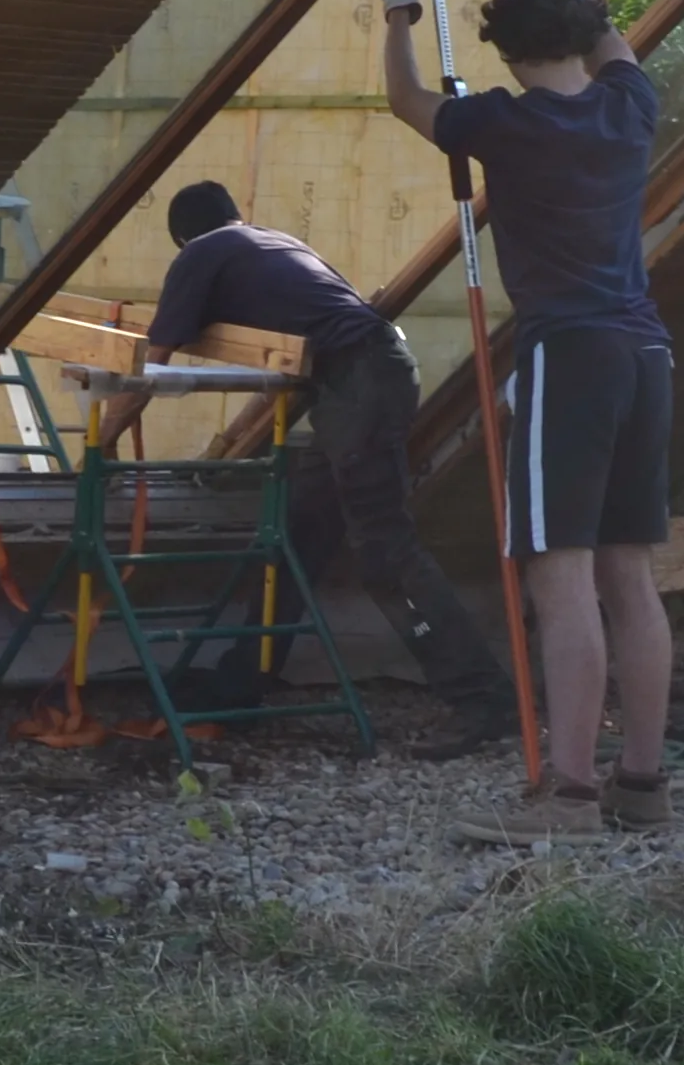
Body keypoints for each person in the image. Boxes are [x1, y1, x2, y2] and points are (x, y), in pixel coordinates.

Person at [381, 0, 674, 841]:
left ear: (504, 48)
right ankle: (642, 782)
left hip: (570, 357)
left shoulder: (500, 124)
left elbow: (405, 101)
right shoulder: (631, 105)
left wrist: (397, 16)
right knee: (630, 577)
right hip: (646, 352)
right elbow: (590, 8)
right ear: (592, 35)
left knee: (561, 575)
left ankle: (572, 796)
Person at [108, 178, 515, 733]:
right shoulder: (277, 245)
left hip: (358, 385)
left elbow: (151, 368)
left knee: (385, 550)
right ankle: (242, 682)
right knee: (299, 536)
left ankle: (482, 699)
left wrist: (103, 442)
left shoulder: (201, 253)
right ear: (237, 214)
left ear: (183, 238)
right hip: (370, 375)